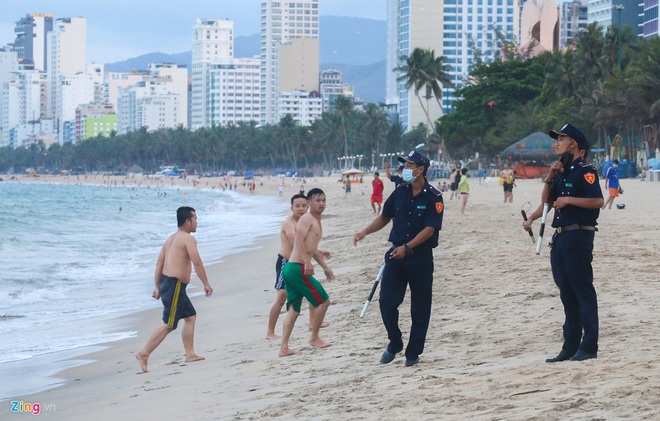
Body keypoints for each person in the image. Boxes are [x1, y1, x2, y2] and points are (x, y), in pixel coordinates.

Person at [353, 151, 444, 367]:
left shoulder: (434, 197)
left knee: (420, 307)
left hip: (420, 258)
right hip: (395, 256)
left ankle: (413, 352)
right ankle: (395, 342)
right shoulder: (400, 191)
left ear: (420, 170)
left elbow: (430, 229)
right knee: (386, 301)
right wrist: (364, 232)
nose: (404, 169)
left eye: (408, 165)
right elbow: (385, 217)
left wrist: (408, 247)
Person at [523, 123, 603, 363]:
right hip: (560, 237)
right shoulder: (562, 170)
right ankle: (570, 345)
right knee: (566, 292)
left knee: (582, 290)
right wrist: (549, 177)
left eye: (561, 138)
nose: (556, 143)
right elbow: (548, 202)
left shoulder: (585, 170)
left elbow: (597, 201)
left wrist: (569, 200)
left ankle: (589, 345)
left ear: (574, 144)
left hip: (579, 235)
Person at [136, 207, 214, 372]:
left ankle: (190, 354)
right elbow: (197, 262)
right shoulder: (187, 239)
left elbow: (159, 264)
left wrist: (157, 286)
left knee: (190, 317)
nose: (197, 222)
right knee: (169, 325)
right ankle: (144, 353)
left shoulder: (170, 239)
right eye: (195, 219)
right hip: (175, 286)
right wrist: (206, 283)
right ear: (187, 221)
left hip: (169, 284)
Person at [267, 194, 334, 340]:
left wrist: (320, 254)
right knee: (281, 297)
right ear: (291, 208)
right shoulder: (289, 224)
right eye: (297, 206)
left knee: (310, 290)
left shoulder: (306, 223)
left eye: (304, 206)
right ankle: (270, 332)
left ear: (308, 206)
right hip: (286, 263)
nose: (301, 209)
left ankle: (312, 323)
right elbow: (298, 242)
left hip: (299, 265)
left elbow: (307, 245)